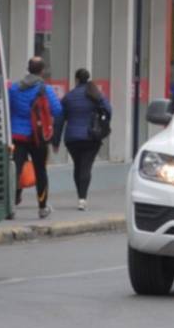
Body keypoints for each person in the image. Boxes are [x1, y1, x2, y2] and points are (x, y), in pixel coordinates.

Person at [8, 56, 64, 219]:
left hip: (18, 135)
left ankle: (11, 206)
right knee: (40, 171)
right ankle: (42, 207)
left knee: (15, 169)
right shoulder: (45, 89)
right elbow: (57, 110)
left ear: (28, 69)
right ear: (41, 71)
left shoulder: (14, 88)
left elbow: (8, 107)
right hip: (38, 136)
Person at [56, 68, 112, 212]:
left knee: (78, 165)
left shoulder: (68, 97)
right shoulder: (95, 95)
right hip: (90, 137)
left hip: (72, 138)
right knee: (86, 166)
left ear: (76, 80)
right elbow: (108, 109)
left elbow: (60, 119)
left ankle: (80, 196)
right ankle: (83, 198)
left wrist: (55, 141)